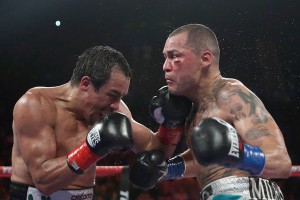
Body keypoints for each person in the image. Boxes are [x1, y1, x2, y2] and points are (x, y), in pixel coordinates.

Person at [129, 24, 292, 199]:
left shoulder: (232, 96)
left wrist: (236, 153)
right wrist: (166, 169)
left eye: (174, 56)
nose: (165, 66)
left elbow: (281, 163)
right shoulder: (194, 111)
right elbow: (206, 155)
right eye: (165, 58)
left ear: (205, 59)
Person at [9, 45, 192, 199]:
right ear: (85, 83)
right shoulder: (36, 105)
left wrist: (171, 125)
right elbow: (44, 182)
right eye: (112, 95)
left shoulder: (113, 109)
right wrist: (92, 148)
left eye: (121, 97)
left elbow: (156, 152)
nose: (116, 105)